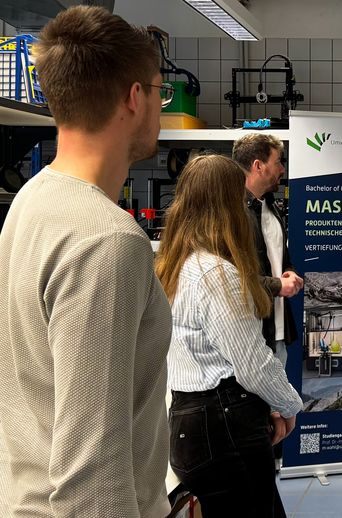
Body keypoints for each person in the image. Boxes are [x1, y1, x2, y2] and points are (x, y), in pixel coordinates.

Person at [0, 6, 172, 517]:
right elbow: (91, 481)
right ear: (135, 97)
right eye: (160, 92)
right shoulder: (107, 241)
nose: (161, 107)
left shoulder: (32, 200)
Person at [155, 154, 303, 517]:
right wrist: (288, 406)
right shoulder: (216, 275)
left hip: (189, 420)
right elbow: (253, 364)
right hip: (225, 427)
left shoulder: (173, 265)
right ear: (228, 207)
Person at [233, 133, 303, 469]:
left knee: (273, 418)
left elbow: (279, 259)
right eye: (278, 162)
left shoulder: (271, 208)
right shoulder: (232, 214)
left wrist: (289, 274)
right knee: (255, 414)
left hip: (277, 330)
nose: (283, 170)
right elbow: (234, 278)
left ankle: (269, 469)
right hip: (251, 333)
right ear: (258, 165)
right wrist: (278, 285)